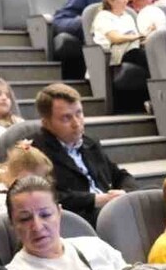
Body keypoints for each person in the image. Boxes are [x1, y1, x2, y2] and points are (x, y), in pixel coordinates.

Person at [30, 84, 136, 227]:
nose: (76, 123)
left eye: (79, 113)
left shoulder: (89, 143)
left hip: (110, 208)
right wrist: (96, 200)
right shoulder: (36, 152)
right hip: (79, 218)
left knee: (156, 193)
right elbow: (47, 196)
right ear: (46, 123)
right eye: (66, 118)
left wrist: (125, 192)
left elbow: (119, 175)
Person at [5, 175, 129, 270]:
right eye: (25, 219)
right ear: (12, 223)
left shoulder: (96, 246)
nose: (37, 227)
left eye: (45, 215)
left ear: (59, 213)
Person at [52, 0, 117, 80]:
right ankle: (93, 66)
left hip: (74, 20)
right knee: (94, 24)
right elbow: (97, 13)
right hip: (64, 20)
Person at [92, 0, 145, 65]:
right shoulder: (103, 17)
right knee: (141, 56)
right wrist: (136, 37)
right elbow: (116, 38)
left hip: (131, 52)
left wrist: (146, 36)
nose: (126, 1)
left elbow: (136, 39)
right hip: (113, 58)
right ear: (110, 0)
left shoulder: (128, 17)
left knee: (151, 53)